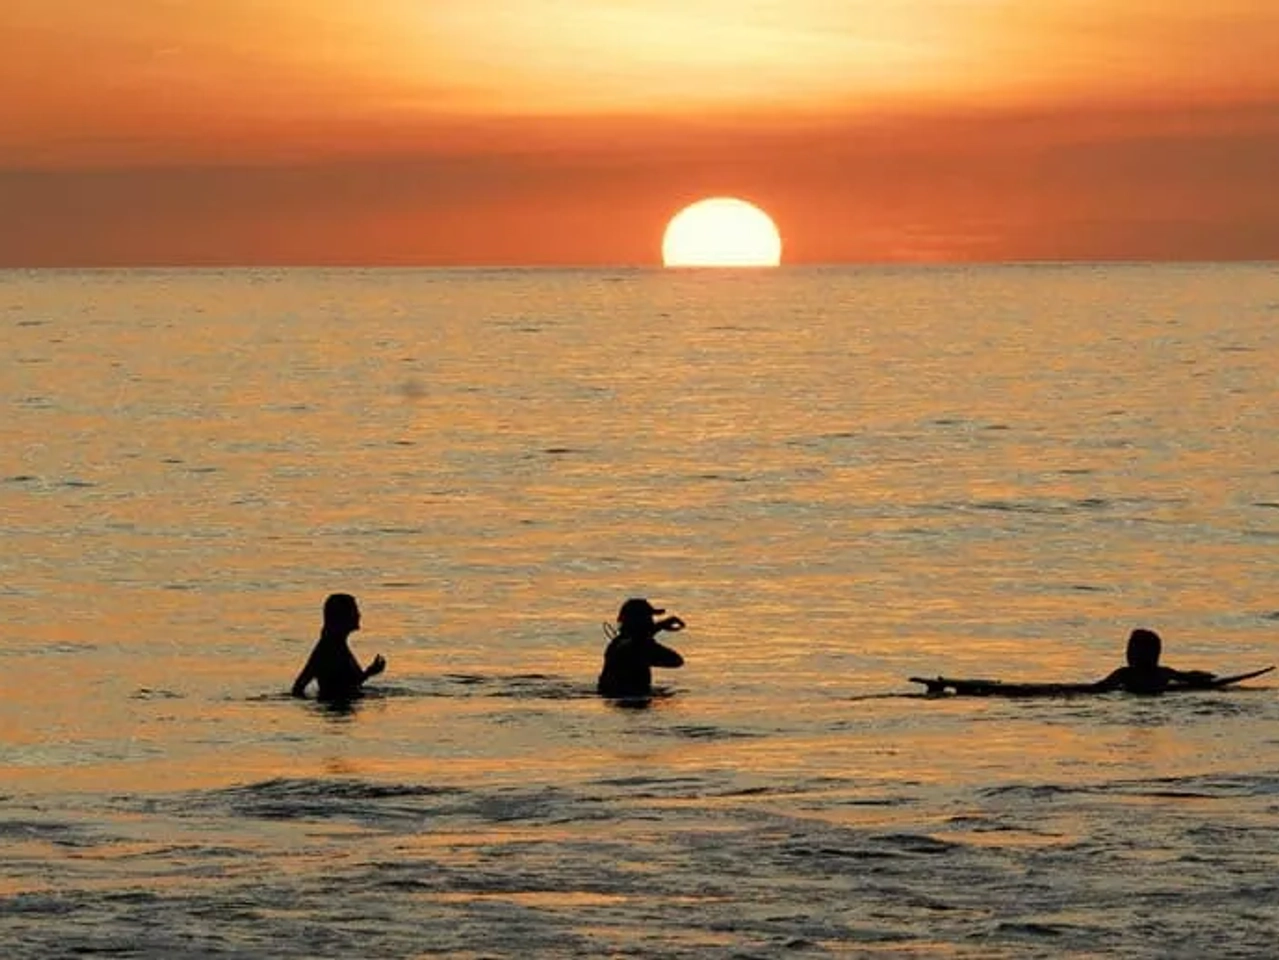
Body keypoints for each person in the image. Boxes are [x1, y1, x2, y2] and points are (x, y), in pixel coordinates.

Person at [291, 593, 386, 701]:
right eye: (354, 611)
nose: (359, 615)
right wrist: (369, 672)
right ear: (342, 616)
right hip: (336, 710)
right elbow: (299, 687)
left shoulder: (336, 645)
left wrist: (369, 672)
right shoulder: (328, 648)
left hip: (342, 709)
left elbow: (347, 683)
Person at [597, 598, 685, 698]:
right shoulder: (627, 645)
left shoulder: (620, 644)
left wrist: (650, 633)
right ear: (640, 621)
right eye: (649, 618)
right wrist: (657, 628)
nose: (651, 621)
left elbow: (676, 661)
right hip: (628, 698)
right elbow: (632, 646)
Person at [1090, 628, 1217, 694]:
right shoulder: (1164, 673)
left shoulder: (1125, 674)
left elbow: (1100, 688)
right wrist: (1205, 677)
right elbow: (1188, 676)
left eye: (1131, 649)